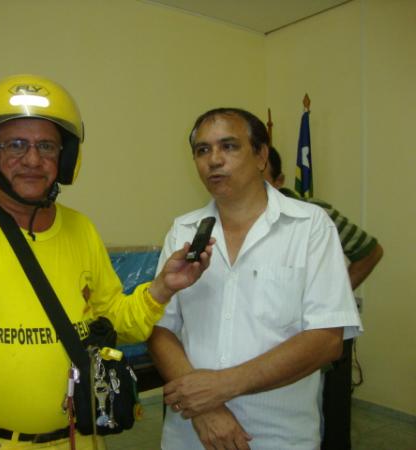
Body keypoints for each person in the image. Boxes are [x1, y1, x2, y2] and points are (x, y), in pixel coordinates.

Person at [0, 74, 213, 450]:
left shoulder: (81, 229)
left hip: (79, 441)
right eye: (16, 145)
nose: (33, 160)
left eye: (47, 147)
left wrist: (161, 288)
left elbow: (119, 323)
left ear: (65, 157)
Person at [147, 107, 363, 450]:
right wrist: (206, 409)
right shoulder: (183, 231)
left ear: (261, 155)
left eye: (229, 146)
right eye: (202, 150)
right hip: (192, 431)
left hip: (279, 435)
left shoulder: (310, 226)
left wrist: (220, 388)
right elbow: (160, 329)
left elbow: (326, 339)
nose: (214, 160)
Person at [265, 146, 383, 450]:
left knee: (329, 419)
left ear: (279, 180)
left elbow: (370, 251)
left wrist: (333, 296)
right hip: (277, 337)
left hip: (321, 334)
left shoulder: (314, 214)